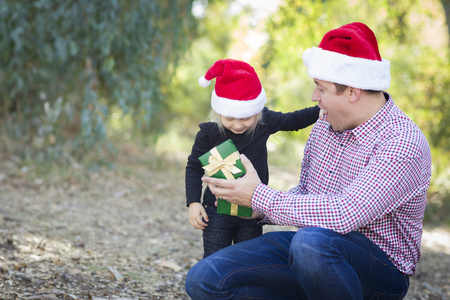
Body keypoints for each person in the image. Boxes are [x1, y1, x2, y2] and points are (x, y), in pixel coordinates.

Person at [185, 22, 432, 299]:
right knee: (204, 279)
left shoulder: (401, 142)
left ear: (352, 92)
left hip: (377, 269)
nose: (315, 99)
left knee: (310, 243)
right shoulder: (327, 124)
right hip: (310, 256)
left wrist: (259, 197)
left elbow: (344, 214)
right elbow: (307, 195)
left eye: (321, 89)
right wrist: (254, 208)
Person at [185, 58, 322, 258]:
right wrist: (193, 203)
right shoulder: (209, 134)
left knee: (246, 259)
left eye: (246, 117)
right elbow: (194, 167)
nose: (238, 125)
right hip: (216, 210)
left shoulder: (264, 123)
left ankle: (242, 289)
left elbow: (294, 120)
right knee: (215, 258)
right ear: (218, 111)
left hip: (252, 209)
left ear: (256, 111)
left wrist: (322, 110)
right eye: (230, 118)